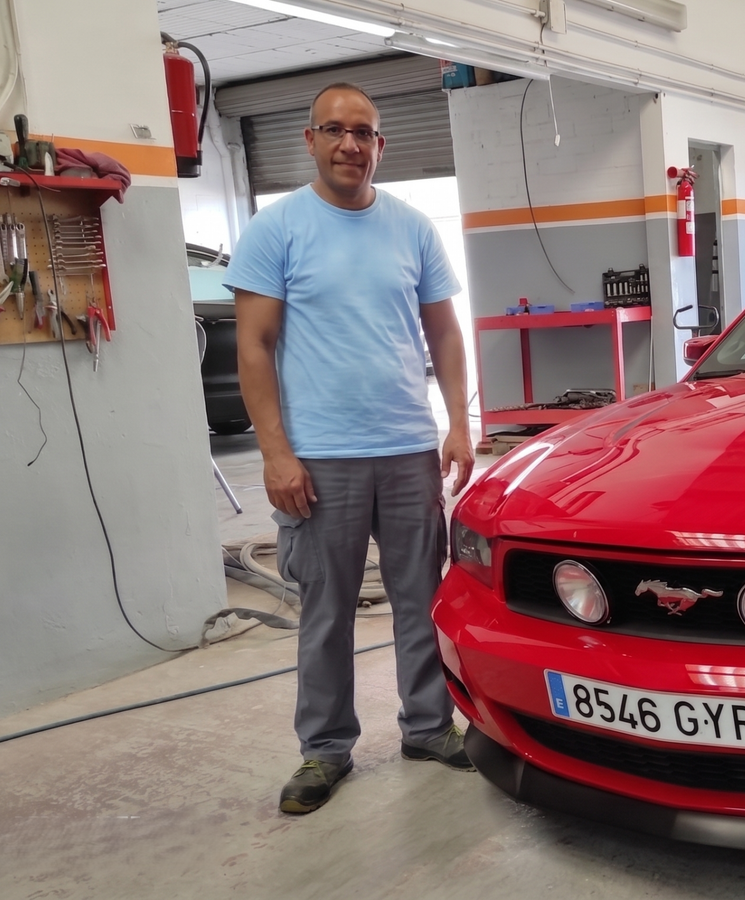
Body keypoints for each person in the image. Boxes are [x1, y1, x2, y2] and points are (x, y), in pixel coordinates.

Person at [226, 82, 477, 814]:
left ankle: (427, 727)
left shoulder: (413, 229)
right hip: (319, 457)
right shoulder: (277, 229)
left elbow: (445, 333)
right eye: (334, 130)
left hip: (406, 449)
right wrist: (275, 453)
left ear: (380, 146)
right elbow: (253, 347)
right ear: (310, 140)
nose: (349, 144)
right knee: (327, 612)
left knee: (420, 600)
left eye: (363, 132)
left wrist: (457, 423)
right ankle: (325, 749)